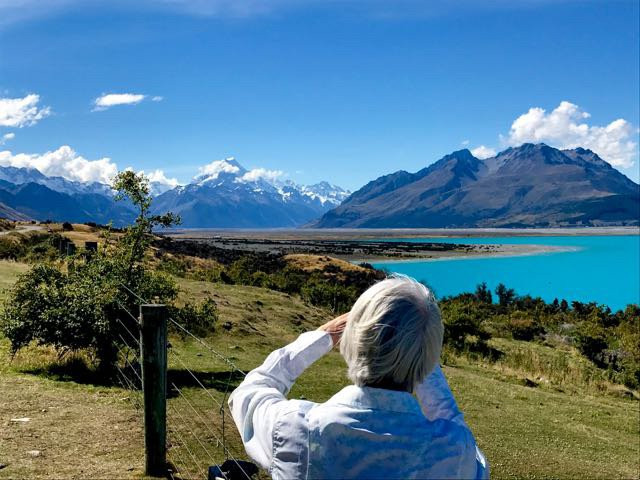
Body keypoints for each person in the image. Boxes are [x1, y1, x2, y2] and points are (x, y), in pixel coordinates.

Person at [228, 275, 489, 479]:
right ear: (430, 359)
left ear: (353, 341)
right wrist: (417, 354)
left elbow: (249, 393)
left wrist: (323, 337)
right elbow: (462, 438)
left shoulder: (295, 428)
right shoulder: (454, 452)